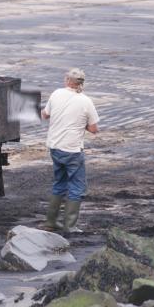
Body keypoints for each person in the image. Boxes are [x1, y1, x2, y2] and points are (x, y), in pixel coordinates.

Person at [39, 68, 99, 233]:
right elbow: (94, 129)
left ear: (67, 81)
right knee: (76, 187)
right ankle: (70, 226)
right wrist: (82, 124)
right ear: (81, 84)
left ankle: (51, 222)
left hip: (55, 147)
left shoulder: (56, 93)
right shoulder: (86, 101)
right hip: (72, 150)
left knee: (59, 183)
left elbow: (45, 114)